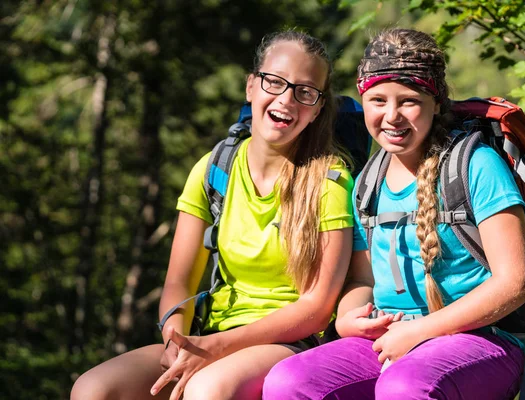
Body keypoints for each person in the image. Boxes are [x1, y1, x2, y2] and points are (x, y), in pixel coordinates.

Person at [70, 30, 354, 400]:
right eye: (275, 82)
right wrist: (175, 340)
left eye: (305, 91)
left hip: (290, 343)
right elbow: (180, 284)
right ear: (251, 86)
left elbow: (317, 309)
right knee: (93, 389)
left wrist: (218, 347)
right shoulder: (213, 170)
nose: (286, 99)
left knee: (207, 390)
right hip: (209, 334)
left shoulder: (328, 181)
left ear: (317, 108)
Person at [263, 27, 525, 400]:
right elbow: (363, 280)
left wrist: (422, 331)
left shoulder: (476, 166)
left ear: (436, 103)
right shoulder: (367, 183)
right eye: (377, 100)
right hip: (392, 336)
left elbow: (515, 282)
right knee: (289, 382)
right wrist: (347, 318)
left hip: (482, 338)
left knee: (404, 388)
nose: (391, 116)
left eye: (408, 101)